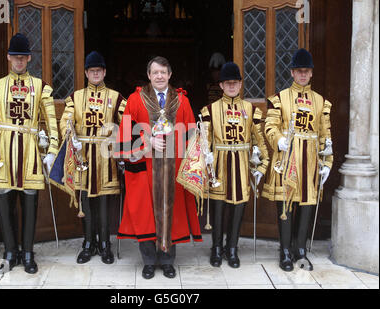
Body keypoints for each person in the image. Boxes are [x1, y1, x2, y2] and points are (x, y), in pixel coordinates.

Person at [114, 56, 202, 279]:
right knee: (145, 214)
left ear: (170, 75)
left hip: (174, 169)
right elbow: (126, 134)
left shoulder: (182, 101)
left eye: (164, 72)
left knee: (172, 212)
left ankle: (168, 260)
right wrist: (147, 143)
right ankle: (149, 261)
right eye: (156, 72)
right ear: (149, 75)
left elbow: (192, 136)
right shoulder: (135, 100)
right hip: (145, 168)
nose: (160, 76)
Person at [0, 33, 59, 274]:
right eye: (15, 57)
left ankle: (28, 252)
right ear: (8, 57)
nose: (19, 61)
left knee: (29, 202)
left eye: (23, 57)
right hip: (3, 151)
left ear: (29, 58)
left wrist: (53, 148)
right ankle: (10, 251)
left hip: (30, 152)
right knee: (4, 201)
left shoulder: (41, 87)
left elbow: (51, 121)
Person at [262, 49, 333, 272]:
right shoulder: (279, 99)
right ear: (292, 73)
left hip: (311, 161)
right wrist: (279, 140)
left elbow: (325, 136)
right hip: (287, 159)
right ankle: (284, 251)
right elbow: (270, 126)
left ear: (311, 73)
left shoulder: (321, 102)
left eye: (306, 71)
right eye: (299, 71)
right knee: (285, 205)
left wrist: (328, 163)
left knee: (307, 204)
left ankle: (300, 251)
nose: (303, 75)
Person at [59, 51, 127, 265]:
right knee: (86, 201)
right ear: (86, 73)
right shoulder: (75, 97)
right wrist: (70, 136)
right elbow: (65, 121)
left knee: (105, 202)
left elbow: (127, 123)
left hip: (106, 157)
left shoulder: (116, 98)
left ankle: (105, 244)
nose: (96, 74)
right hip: (83, 156)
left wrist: (120, 144)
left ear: (104, 72)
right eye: (92, 71)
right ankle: (88, 243)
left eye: (99, 70)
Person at [200, 62, 269, 268]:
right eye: (227, 83)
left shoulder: (250, 109)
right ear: (221, 85)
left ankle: (232, 248)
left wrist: (262, 165)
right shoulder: (210, 110)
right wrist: (207, 156)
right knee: (219, 207)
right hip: (219, 166)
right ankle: (217, 248)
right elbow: (204, 138)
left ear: (240, 84)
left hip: (241, 165)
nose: (231, 86)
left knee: (238, 207)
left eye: (235, 83)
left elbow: (260, 140)